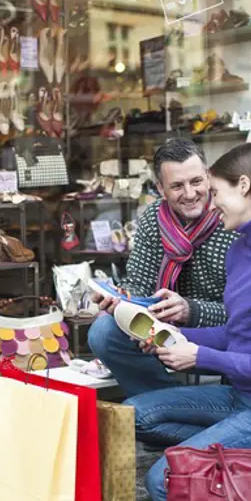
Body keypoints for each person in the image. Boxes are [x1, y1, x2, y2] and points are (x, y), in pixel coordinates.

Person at [130, 142, 251, 501]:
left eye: (215, 190)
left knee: (162, 482)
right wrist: (178, 336)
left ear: (243, 186)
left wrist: (200, 357)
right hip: (240, 396)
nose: (211, 201)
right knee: (133, 416)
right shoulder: (239, 250)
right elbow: (236, 333)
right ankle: (238, 448)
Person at [88, 138, 237, 397]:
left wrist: (190, 310)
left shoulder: (232, 218)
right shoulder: (153, 218)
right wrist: (121, 300)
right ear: (160, 188)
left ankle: (169, 410)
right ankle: (170, 399)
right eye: (177, 186)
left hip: (223, 337)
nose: (190, 194)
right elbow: (138, 284)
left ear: (208, 175)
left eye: (197, 182)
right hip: (165, 334)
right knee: (103, 332)